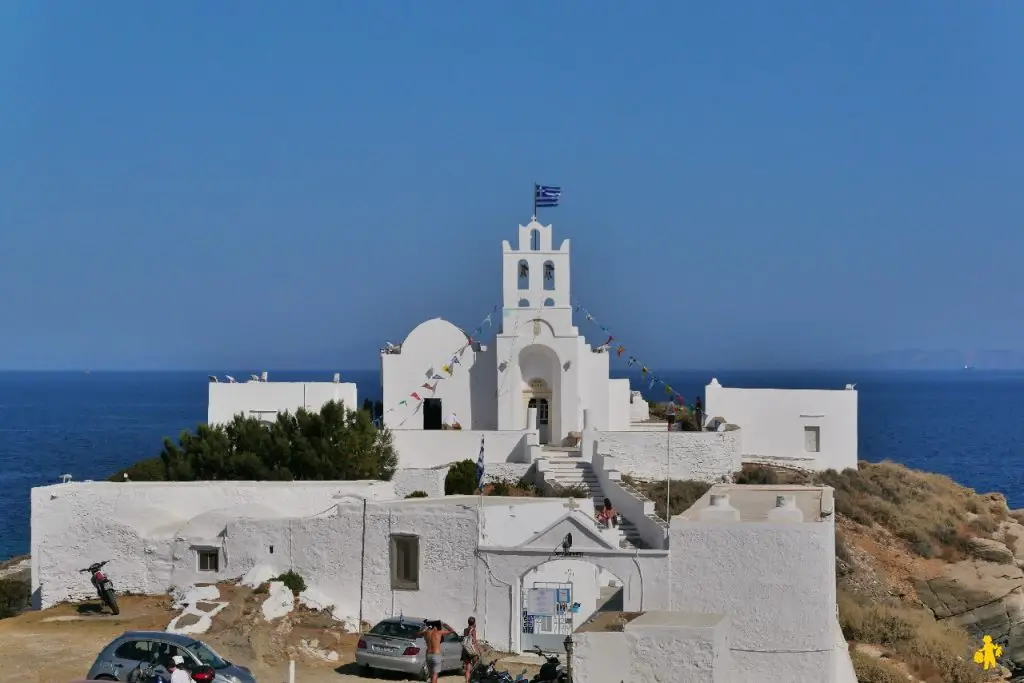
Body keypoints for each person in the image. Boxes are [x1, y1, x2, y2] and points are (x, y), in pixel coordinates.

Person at [461, 616, 480, 682]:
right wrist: (478, 650)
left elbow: (466, 639)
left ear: (468, 622)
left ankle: (467, 681)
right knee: (475, 666)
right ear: (474, 622)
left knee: (468, 668)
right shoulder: (473, 630)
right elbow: (474, 641)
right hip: (471, 650)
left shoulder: (465, 630)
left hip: (465, 650)